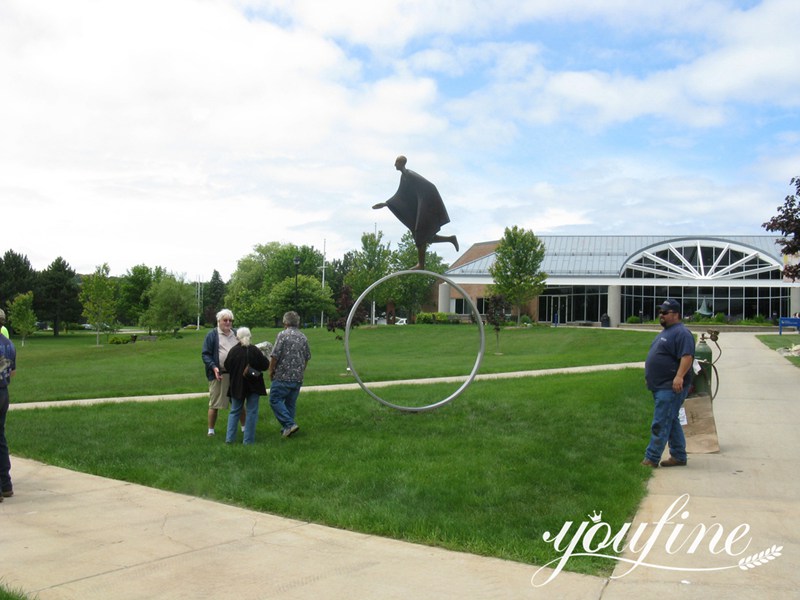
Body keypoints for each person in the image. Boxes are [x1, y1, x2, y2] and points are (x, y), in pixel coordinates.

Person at [372, 155, 458, 270]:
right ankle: (450, 239)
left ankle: (421, 265)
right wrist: (386, 204)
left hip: (426, 204)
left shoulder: (410, 175)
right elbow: (401, 195)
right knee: (425, 237)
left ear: (401, 163)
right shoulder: (404, 177)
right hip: (421, 204)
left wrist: (423, 204)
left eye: (396, 162)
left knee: (420, 234)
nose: (394, 164)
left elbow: (430, 187)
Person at [641, 299, 695, 468]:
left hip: (671, 386)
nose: (661, 315)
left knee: (661, 422)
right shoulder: (667, 332)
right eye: (660, 312)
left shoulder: (682, 333)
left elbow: (687, 356)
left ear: (676, 314)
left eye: (665, 312)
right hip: (660, 385)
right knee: (670, 420)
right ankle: (679, 456)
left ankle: (651, 458)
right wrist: (650, 376)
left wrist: (679, 376)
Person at [201, 309, 245, 437]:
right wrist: (213, 367)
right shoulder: (212, 335)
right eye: (225, 320)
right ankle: (211, 431)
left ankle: (244, 428)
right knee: (214, 403)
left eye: (230, 320)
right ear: (218, 321)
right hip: (219, 374)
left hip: (236, 375)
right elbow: (205, 355)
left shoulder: (236, 334)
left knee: (239, 402)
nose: (228, 322)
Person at [223, 327, 269, 445]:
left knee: (234, 411)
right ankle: (248, 440)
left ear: (237, 338)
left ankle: (229, 439)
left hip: (237, 385)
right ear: (250, 337)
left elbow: (227, 366)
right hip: (254, 385)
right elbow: (265, 365)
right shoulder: (255, 350)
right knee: (252, 412)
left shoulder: (233, 351)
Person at [268, 311, 311, 438]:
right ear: (297, 322)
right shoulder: (303, 337)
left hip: (282, 376)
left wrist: (271, 370)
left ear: (285, 322)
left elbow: (275, 355)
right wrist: (301, 370)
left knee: (274, 399)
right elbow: (307, 357)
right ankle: (287, 430)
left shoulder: (282, 335)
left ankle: (289, 424)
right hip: (297, 377)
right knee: (290, 404)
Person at [0, 328, 17, 502]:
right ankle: (6, 485)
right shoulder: (9, 344)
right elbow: (12, 372)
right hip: (3, 393)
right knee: (0, 438)